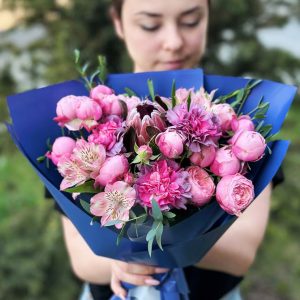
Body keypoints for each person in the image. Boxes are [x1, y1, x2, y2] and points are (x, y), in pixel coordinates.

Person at [56, 0, 280, 299]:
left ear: (208, 17)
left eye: (190, 21)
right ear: (118, 22)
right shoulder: (87, 123)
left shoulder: (245, 123)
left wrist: (158, 242)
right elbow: (80, 258)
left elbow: (242, 253)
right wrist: (116, 263)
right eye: (150, 24)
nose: (174, 42)